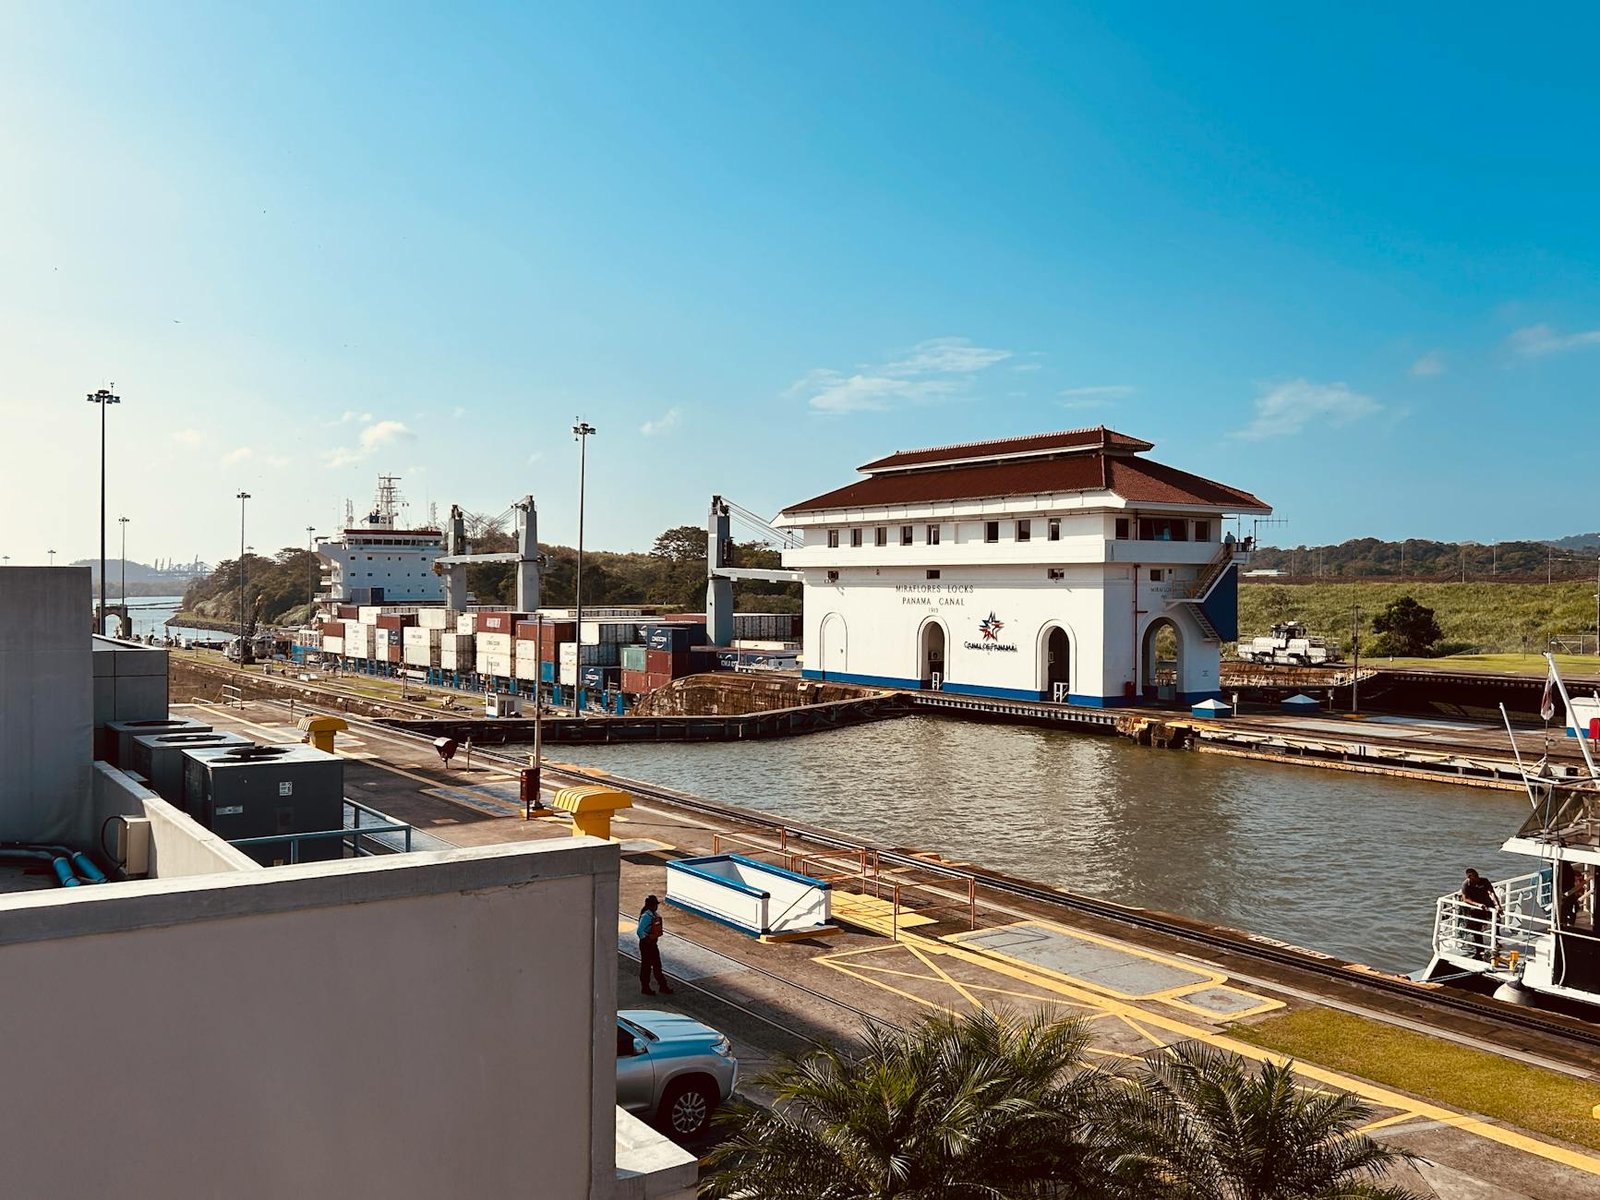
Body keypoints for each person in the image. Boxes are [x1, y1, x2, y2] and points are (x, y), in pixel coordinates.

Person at [637, 894, 673, 996]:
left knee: (657, 965)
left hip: (652, 944)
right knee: (646, 966)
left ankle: (662, 986)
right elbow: (639, 931)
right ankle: (646, 987)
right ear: (652, 905)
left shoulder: (653, 915)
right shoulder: (646, 916)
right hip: (646, 944)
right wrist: (647, 939)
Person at [1459, 868, 1500, 959]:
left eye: (1478, 875)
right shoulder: (1466, 885)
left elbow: (1491, 893)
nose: (1478, 878)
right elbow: (1465, 899)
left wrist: (1497, 905)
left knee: (1497, 921)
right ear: (1470, 877)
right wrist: (1478, 905)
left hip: (1488, 904)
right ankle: (1479, 951)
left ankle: (1496, 941)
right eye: (1475, 876)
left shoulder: (1484, 881)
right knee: (1476, 929)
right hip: (1477, 908)